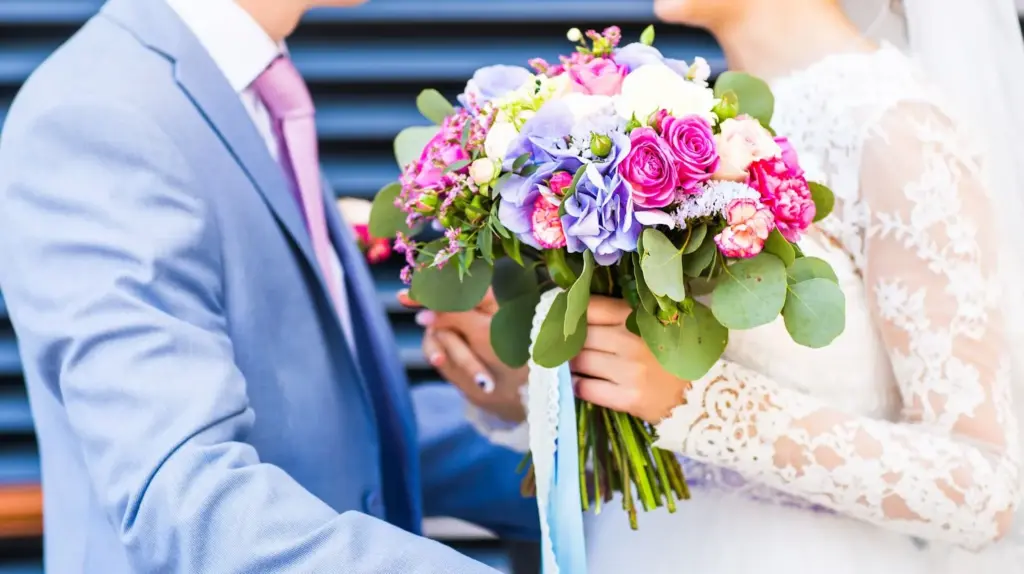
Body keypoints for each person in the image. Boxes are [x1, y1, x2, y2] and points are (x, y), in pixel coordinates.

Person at [431, 0, 1024, 571]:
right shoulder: (694, 119)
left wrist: (703, 404)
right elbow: (669, 445)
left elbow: (985, 488)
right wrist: (523, 388)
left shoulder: (895, 128)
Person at [0, 0, 538, 572]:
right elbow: (188, 503)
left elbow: (331, 429)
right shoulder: (100, 115)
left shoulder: (246, 85)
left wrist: (586, 456)